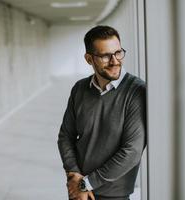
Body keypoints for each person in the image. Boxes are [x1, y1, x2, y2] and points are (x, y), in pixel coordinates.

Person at [58, 25, 146, 200]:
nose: (115, 61)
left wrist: (86, 184)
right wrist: (74, 174)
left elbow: (132, 151)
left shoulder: (136, 91)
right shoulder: (80, 89)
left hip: (114, 194)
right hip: (79, 190)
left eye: (118, 52)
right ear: (89, 59)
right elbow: (65, 136)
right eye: (105, 56)